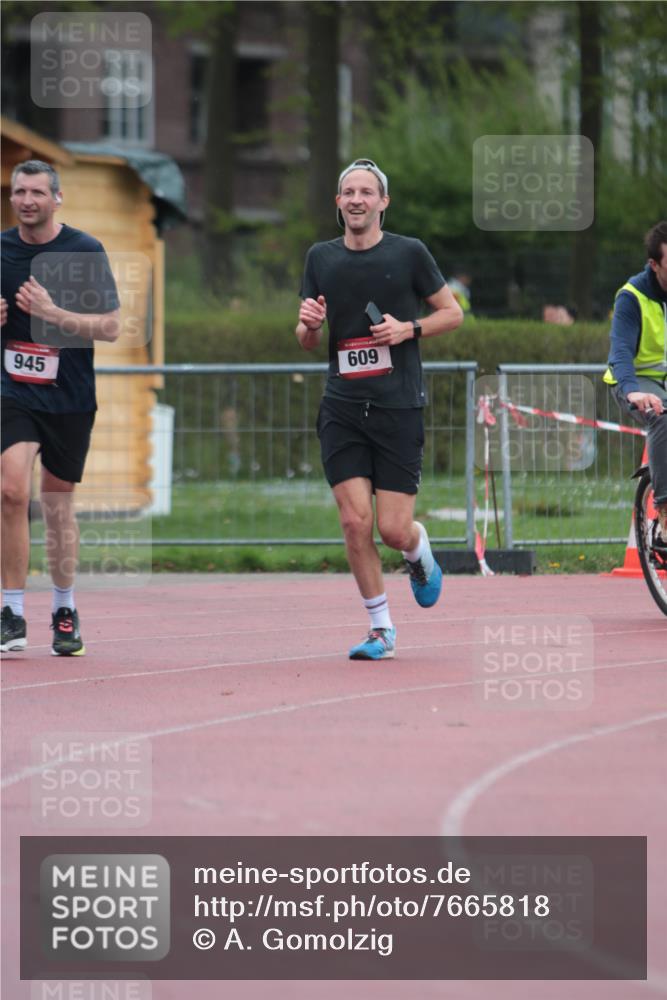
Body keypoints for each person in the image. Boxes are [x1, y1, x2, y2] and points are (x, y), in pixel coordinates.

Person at [296, 158, 464, 660]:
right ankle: (381, 629)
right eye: (348, 192)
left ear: (383, 202)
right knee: (353, 521)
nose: (356, 200)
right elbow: (307, 341)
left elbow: (452, 314)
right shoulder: (319, 257)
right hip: (342, 407)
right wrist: (308, 324)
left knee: (392, 529)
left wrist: (406, 330)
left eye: (366, 192)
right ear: (338, 202)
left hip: (398, 406)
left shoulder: (409, 253)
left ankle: (417, 550)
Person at [1, 160, 120, 655]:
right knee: (10, 489)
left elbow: (111, 327)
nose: (27, 200)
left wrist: (53, 314)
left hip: (68, 395)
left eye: (37, 192)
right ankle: (11, 611)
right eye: (19, 191)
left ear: (57, 198)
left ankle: (64, 608)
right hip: (10, 388)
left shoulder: (84, 250)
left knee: (56, 505)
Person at [604, 220, 667, 539]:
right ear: (653, 264)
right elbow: (621, 352)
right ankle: (666, 511)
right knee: (661, 416)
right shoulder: (631, 297)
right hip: (636, 381)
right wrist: (632, 392)